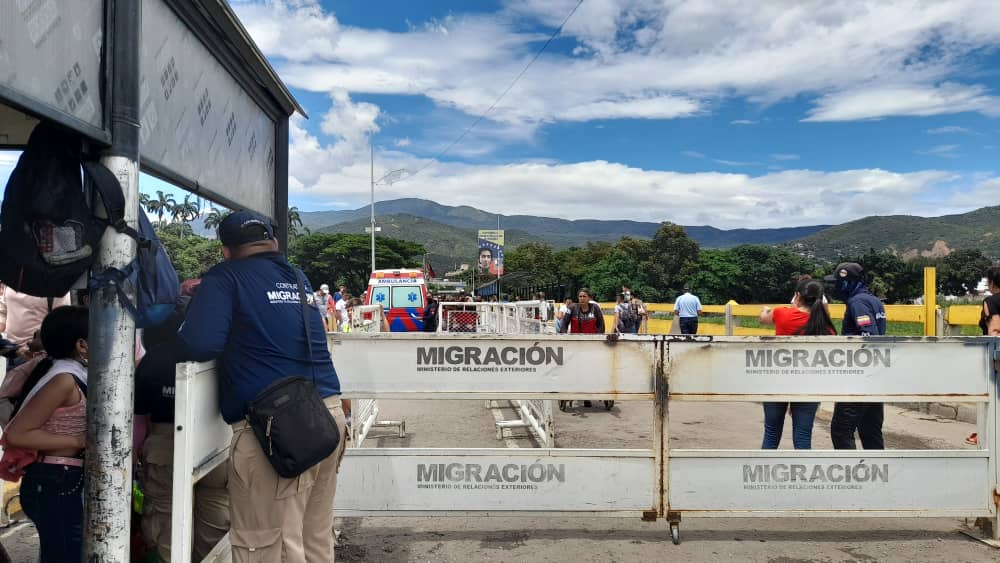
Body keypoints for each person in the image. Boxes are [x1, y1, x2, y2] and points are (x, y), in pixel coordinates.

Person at [178, 211, 346, 562]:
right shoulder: (297, 277)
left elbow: (200, 344)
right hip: (325, 417)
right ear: (274, 241)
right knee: (313, 537)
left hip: (276, 430)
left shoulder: (225, 277)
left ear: (225, 251)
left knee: (266, 545)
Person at [136, 296, 230, 562]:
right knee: (215, 525)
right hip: (220, 443)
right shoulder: (229, 352)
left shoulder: (157, 357)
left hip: (167, 445)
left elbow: (139, 410)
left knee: (168, 527)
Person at [5, 306, 88, 563]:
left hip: (58, 479)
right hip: (55, 480)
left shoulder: (61, 369)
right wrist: (77, 441)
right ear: (82, 345)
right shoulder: (63, 378)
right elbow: (17, 434)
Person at [758, 280, 836, 449]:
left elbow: (764, 319)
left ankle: (764, 473)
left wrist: (765, 310)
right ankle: (803, 474)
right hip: (808, 385)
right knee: (803, 435)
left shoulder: (782, 314)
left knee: (771, 433)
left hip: (777, 382)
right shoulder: (826, 327)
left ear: (798, 296)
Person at [824, 262, 887, 450]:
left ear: (848, 282)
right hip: (876, 375)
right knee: (870, 430)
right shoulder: (874, 300)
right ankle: (876, 474)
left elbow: (869, 336)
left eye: (838, 282)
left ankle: (851, 474)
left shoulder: (857, 302)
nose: (835, 287)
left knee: (841, 430)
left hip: (859, 376)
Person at [558, 288, 606, 410]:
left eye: (584, 296)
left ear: (589, 297)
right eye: (580, 296)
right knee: (575, 369)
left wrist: (597, 339)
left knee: (590, 370)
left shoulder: (595, 308)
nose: (582, 298)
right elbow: (564, 324)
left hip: (591, 345)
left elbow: (601, 326)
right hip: (576, 344)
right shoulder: (572, 308)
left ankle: (587, 396)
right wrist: (564, 336)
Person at [0, 285, 70, 346]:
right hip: (11, 346)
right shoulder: (12, 278)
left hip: (40, 351)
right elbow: (2, 312)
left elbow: (61, 322)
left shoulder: (56, 286)